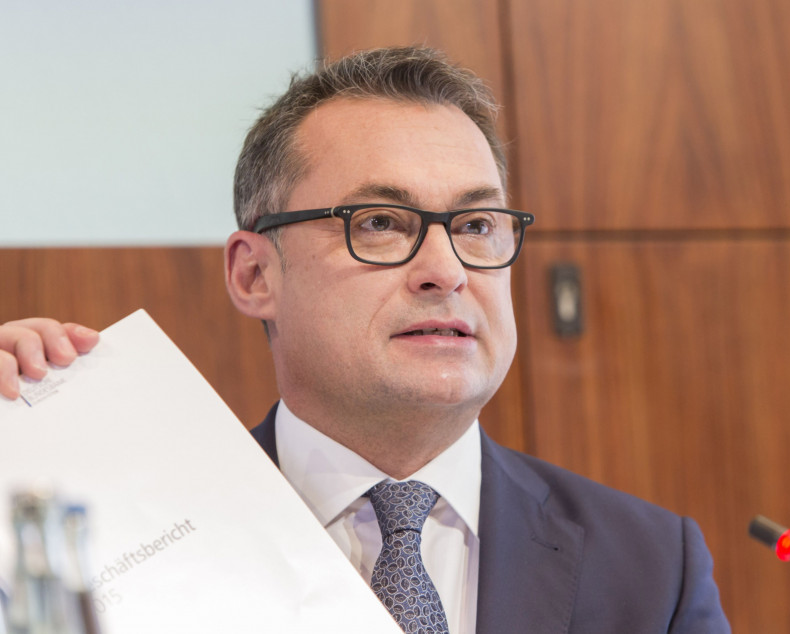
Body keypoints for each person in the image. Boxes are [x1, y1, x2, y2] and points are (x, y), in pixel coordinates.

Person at [0, 47, 730, 633]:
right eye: (380, 222)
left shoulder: (651, 567)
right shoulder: (105, 545)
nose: (447, 270)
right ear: (255, 274)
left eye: (477, 225)